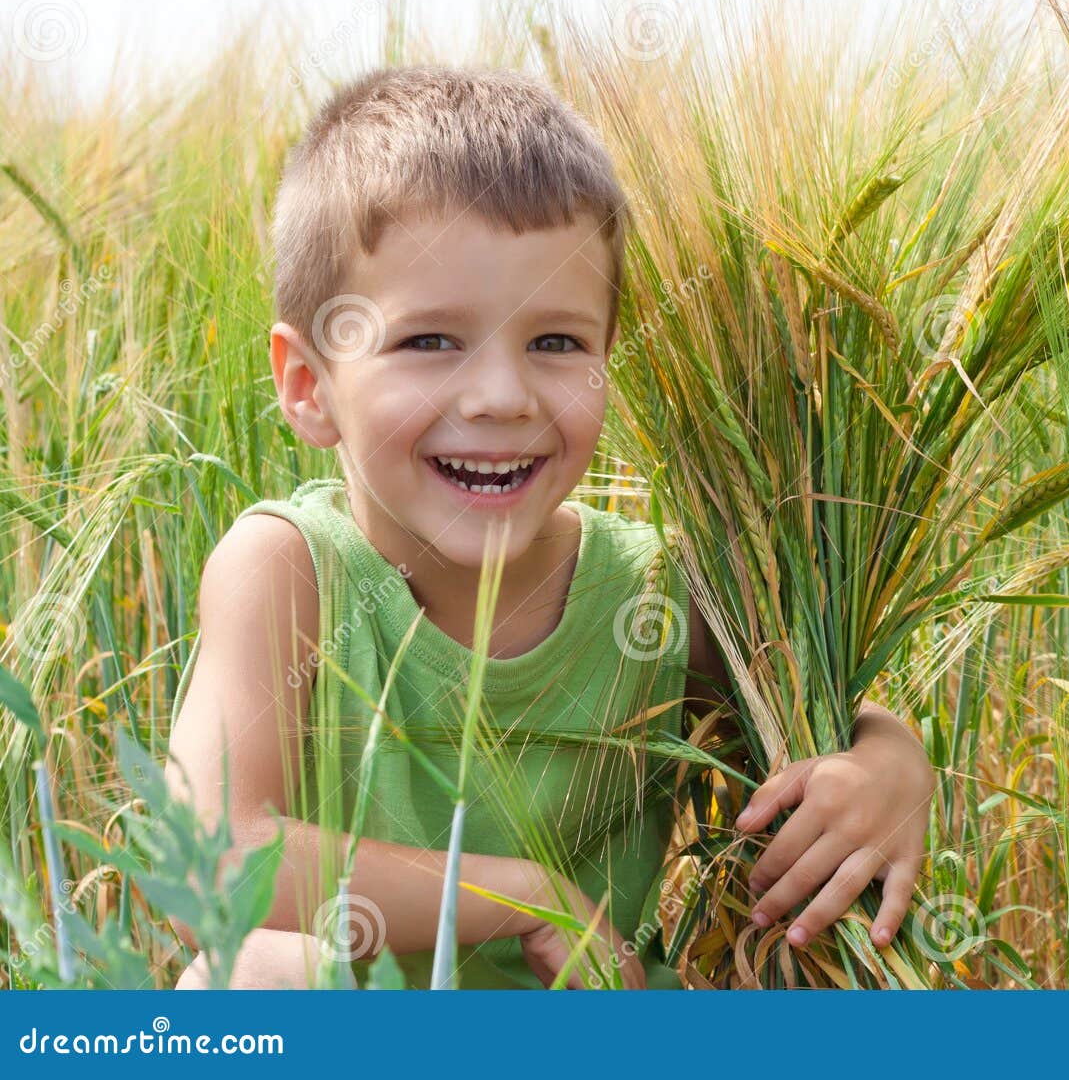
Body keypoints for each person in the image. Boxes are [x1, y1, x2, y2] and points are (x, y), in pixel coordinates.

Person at [164, 65, 936, 989]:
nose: (501, 396)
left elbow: (817, 728)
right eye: (430, 341)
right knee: (257, 970)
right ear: (307, 385)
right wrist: (517, 892)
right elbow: (208, 859)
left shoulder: (652, 595)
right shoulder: (287, 570)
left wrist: (894, 765)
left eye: (557, 343)